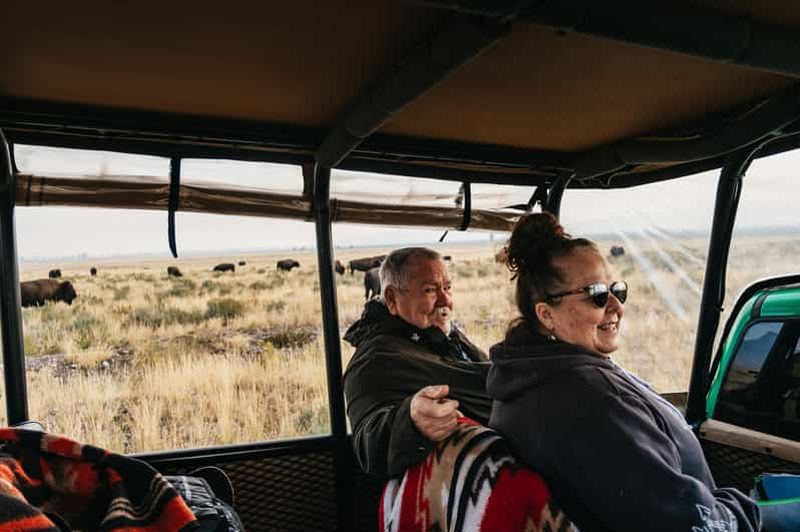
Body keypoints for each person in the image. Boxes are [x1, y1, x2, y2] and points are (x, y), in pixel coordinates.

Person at [487, 213, 761, 532]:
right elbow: (686, 525)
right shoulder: (591, 400)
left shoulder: (526, 376)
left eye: (617, 289)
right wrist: (749, 509)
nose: (616, 306)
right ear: (546, 314)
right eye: (597, 295)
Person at [343, 247, 492, 478]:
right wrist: (410, 421)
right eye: (430, 290)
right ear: (392, 298)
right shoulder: (375, 359)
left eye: (447, 288)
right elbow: (368, 442)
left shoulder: (445, 335)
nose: (446, 300)